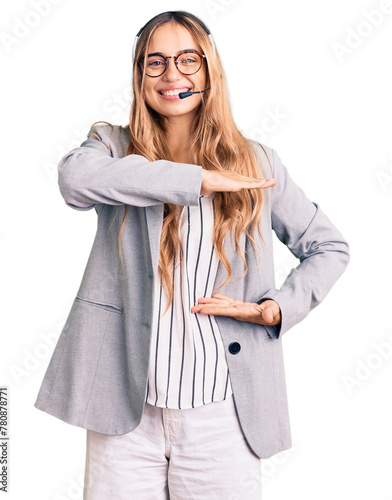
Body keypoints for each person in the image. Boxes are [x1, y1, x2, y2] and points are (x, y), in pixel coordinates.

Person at [34, 10, 350, 500]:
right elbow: (73, 181)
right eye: (155, 62)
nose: (172, 75)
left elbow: (328, 247)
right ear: (139, 74)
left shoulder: (257, 162)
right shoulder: (112, 148)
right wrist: (193, 180)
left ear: (209, 70)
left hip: (224, 413)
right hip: (125, 410)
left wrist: (275, 308)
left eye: (188, 59)